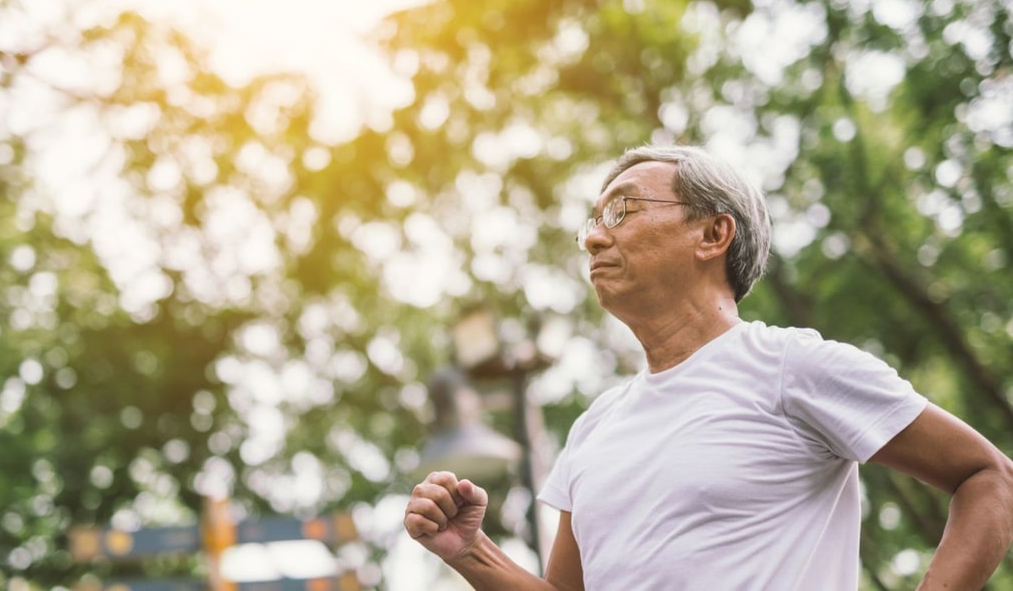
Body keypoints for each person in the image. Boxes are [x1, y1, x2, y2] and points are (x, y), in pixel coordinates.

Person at [403, 144, 1013, 590]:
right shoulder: (595, 427)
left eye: (622, 211)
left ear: (713, 233)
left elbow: (988, 476)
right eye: (592, 223)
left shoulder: (788, 366)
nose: (593, 239)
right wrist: (470, 551)